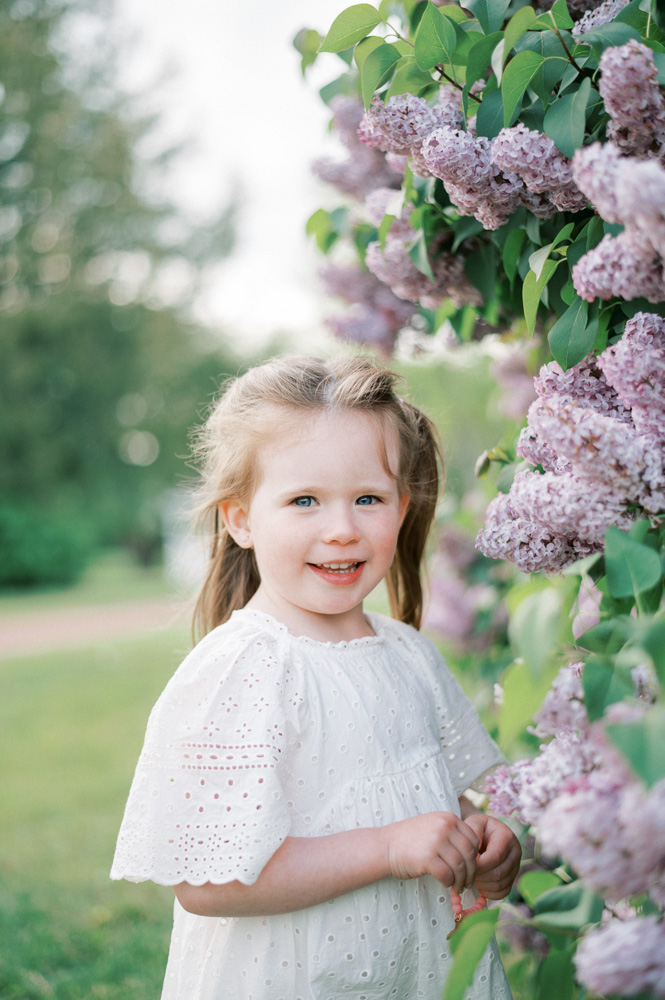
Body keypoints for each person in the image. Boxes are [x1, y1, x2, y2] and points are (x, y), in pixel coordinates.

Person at [111, 355, 521, 1000]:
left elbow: (434, 799)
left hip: (420, 970)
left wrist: (480, 841)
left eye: (368, 499)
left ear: (401, 508)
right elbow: (206, 884)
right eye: (304, 500)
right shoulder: (242, 669)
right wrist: (388, 848)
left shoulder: (410, 655)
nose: (341, 529)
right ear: (240, 519)